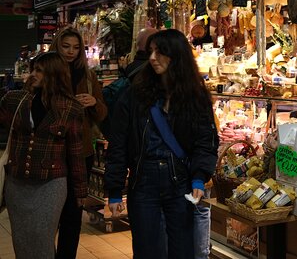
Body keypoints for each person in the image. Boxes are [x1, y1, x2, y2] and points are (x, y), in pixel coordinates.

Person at [105, 29, 219, 259]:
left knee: (183, 250)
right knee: (148, 250)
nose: (152, 58)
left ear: (176, 56)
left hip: (179, 181)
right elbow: (118, 143)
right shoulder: (135, 94)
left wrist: (199, 175)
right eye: (151, 51)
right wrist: (115, 189)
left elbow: (205, 140)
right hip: (143, 181)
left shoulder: (194, 96)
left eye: (160, 52)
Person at [0, 52, 87, 259]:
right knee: (21, 239)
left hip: (51, 184)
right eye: (34, 69)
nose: (33, 74)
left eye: (39, 70)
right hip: (17, 182)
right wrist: (25, 88)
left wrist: (81, 191)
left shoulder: (70, 107)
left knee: (42, 237)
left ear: (53, 74)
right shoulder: (16, 99)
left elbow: (75, 152)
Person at [50, 26, 108, 259]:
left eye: (76, 47)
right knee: (49, 213)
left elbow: (102, 114)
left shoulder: (88, 75)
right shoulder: (46, 73)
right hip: (51, 150)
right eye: (65, 46)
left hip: (80, 151)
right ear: (56, 46)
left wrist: (94, 101)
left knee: (73, 214)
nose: (71, 52)